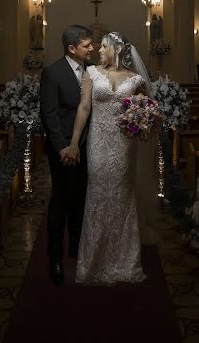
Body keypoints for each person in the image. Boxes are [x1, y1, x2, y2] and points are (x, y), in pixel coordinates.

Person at [64, 32, 158, 285]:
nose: (99, 50)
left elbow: (146, 107)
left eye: (104, 46)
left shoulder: (135, 78)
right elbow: (84, 108)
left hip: (124, 144)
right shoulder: (91, 73)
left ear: (117, 49)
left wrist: (143, 121)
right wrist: (74, 143)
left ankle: (124, 261)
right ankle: (94, 261)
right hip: (98, 142)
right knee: (98, 193)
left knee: (122, 194)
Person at [40, 25, 93, 285]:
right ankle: (55, 257)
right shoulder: (53, 72)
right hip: (62, 149)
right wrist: (63, 148)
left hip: (87, 146)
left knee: (81, 197)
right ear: (71, 49)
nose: (92, 49)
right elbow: (49, 114)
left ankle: (76, 245)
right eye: (87, 45)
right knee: (61, 199)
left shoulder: (91, 71)